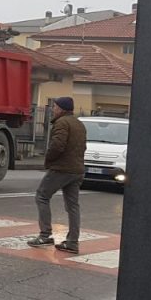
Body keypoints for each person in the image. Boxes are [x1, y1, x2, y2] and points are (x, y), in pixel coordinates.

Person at [27, 97, 88, 253]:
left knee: (42, 196)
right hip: (77, 170)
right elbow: (83, 147)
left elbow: (57, 145)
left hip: (62, 168)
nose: (53, 109)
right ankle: (72, 242)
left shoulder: (61, 123)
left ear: (61, 109)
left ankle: (45, 235)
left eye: (54, 106)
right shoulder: (79, 124)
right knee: (73, 206)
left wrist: (48, 160)